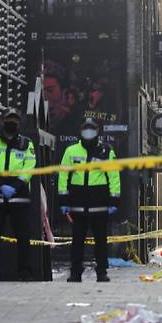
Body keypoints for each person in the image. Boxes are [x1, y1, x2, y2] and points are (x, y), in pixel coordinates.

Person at [58, 118, 120, 282]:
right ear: (81, 131)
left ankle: (101, 271)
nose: (88, 132)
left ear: (97, 131)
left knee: (101, 241)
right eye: (86, 129)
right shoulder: (71, 151)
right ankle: (75, 272)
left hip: (99, 203)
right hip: (77, 203)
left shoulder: (106, 151)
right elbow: (63, 175)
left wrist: (113, 201)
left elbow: (114, 176)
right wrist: (63, 200)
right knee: (77, 241)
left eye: (91, 129)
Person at [0, 108, 37, 282]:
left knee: (23, 236)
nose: (11, 122)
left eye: (15, 119)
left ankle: (25, 273)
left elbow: (29, 167)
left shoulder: (27, 144)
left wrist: (15, 185)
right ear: (2, 121)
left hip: (18, 194)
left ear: (19, 123)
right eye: (8, 119)